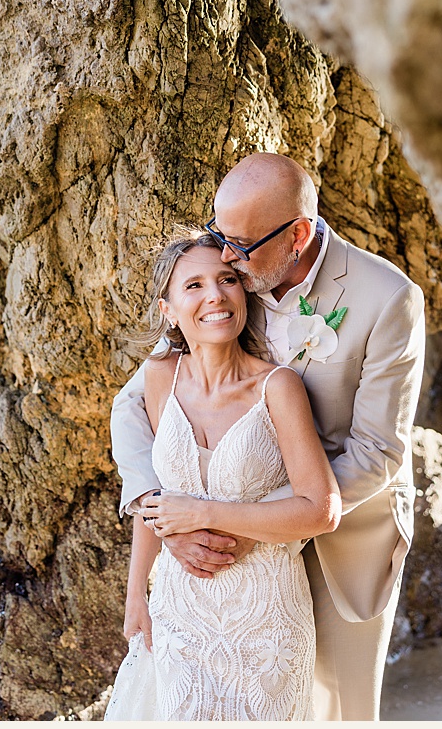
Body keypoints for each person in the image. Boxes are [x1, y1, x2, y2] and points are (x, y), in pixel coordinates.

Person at [111, 153, 427, 720]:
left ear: (297, 236)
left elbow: (377, 451)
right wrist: (161, 511)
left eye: (239, 246)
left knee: (338, 710)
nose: (225, 257)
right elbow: (133, 404)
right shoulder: (233, 282)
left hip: (343, 532)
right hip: (225, 537)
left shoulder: (388, 300)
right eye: (219, 236)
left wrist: (255, 526)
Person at [108, 230, 338, 719]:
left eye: (228, 279)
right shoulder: (158, 376)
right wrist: (135, 594)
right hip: (179, 603)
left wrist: (203, 512)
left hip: (267, 615)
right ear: (168, 309)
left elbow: (319, 509)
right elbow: (156, 498)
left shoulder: (278, 386)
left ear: (243, 292)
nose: (215, 295)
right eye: (193, 285)